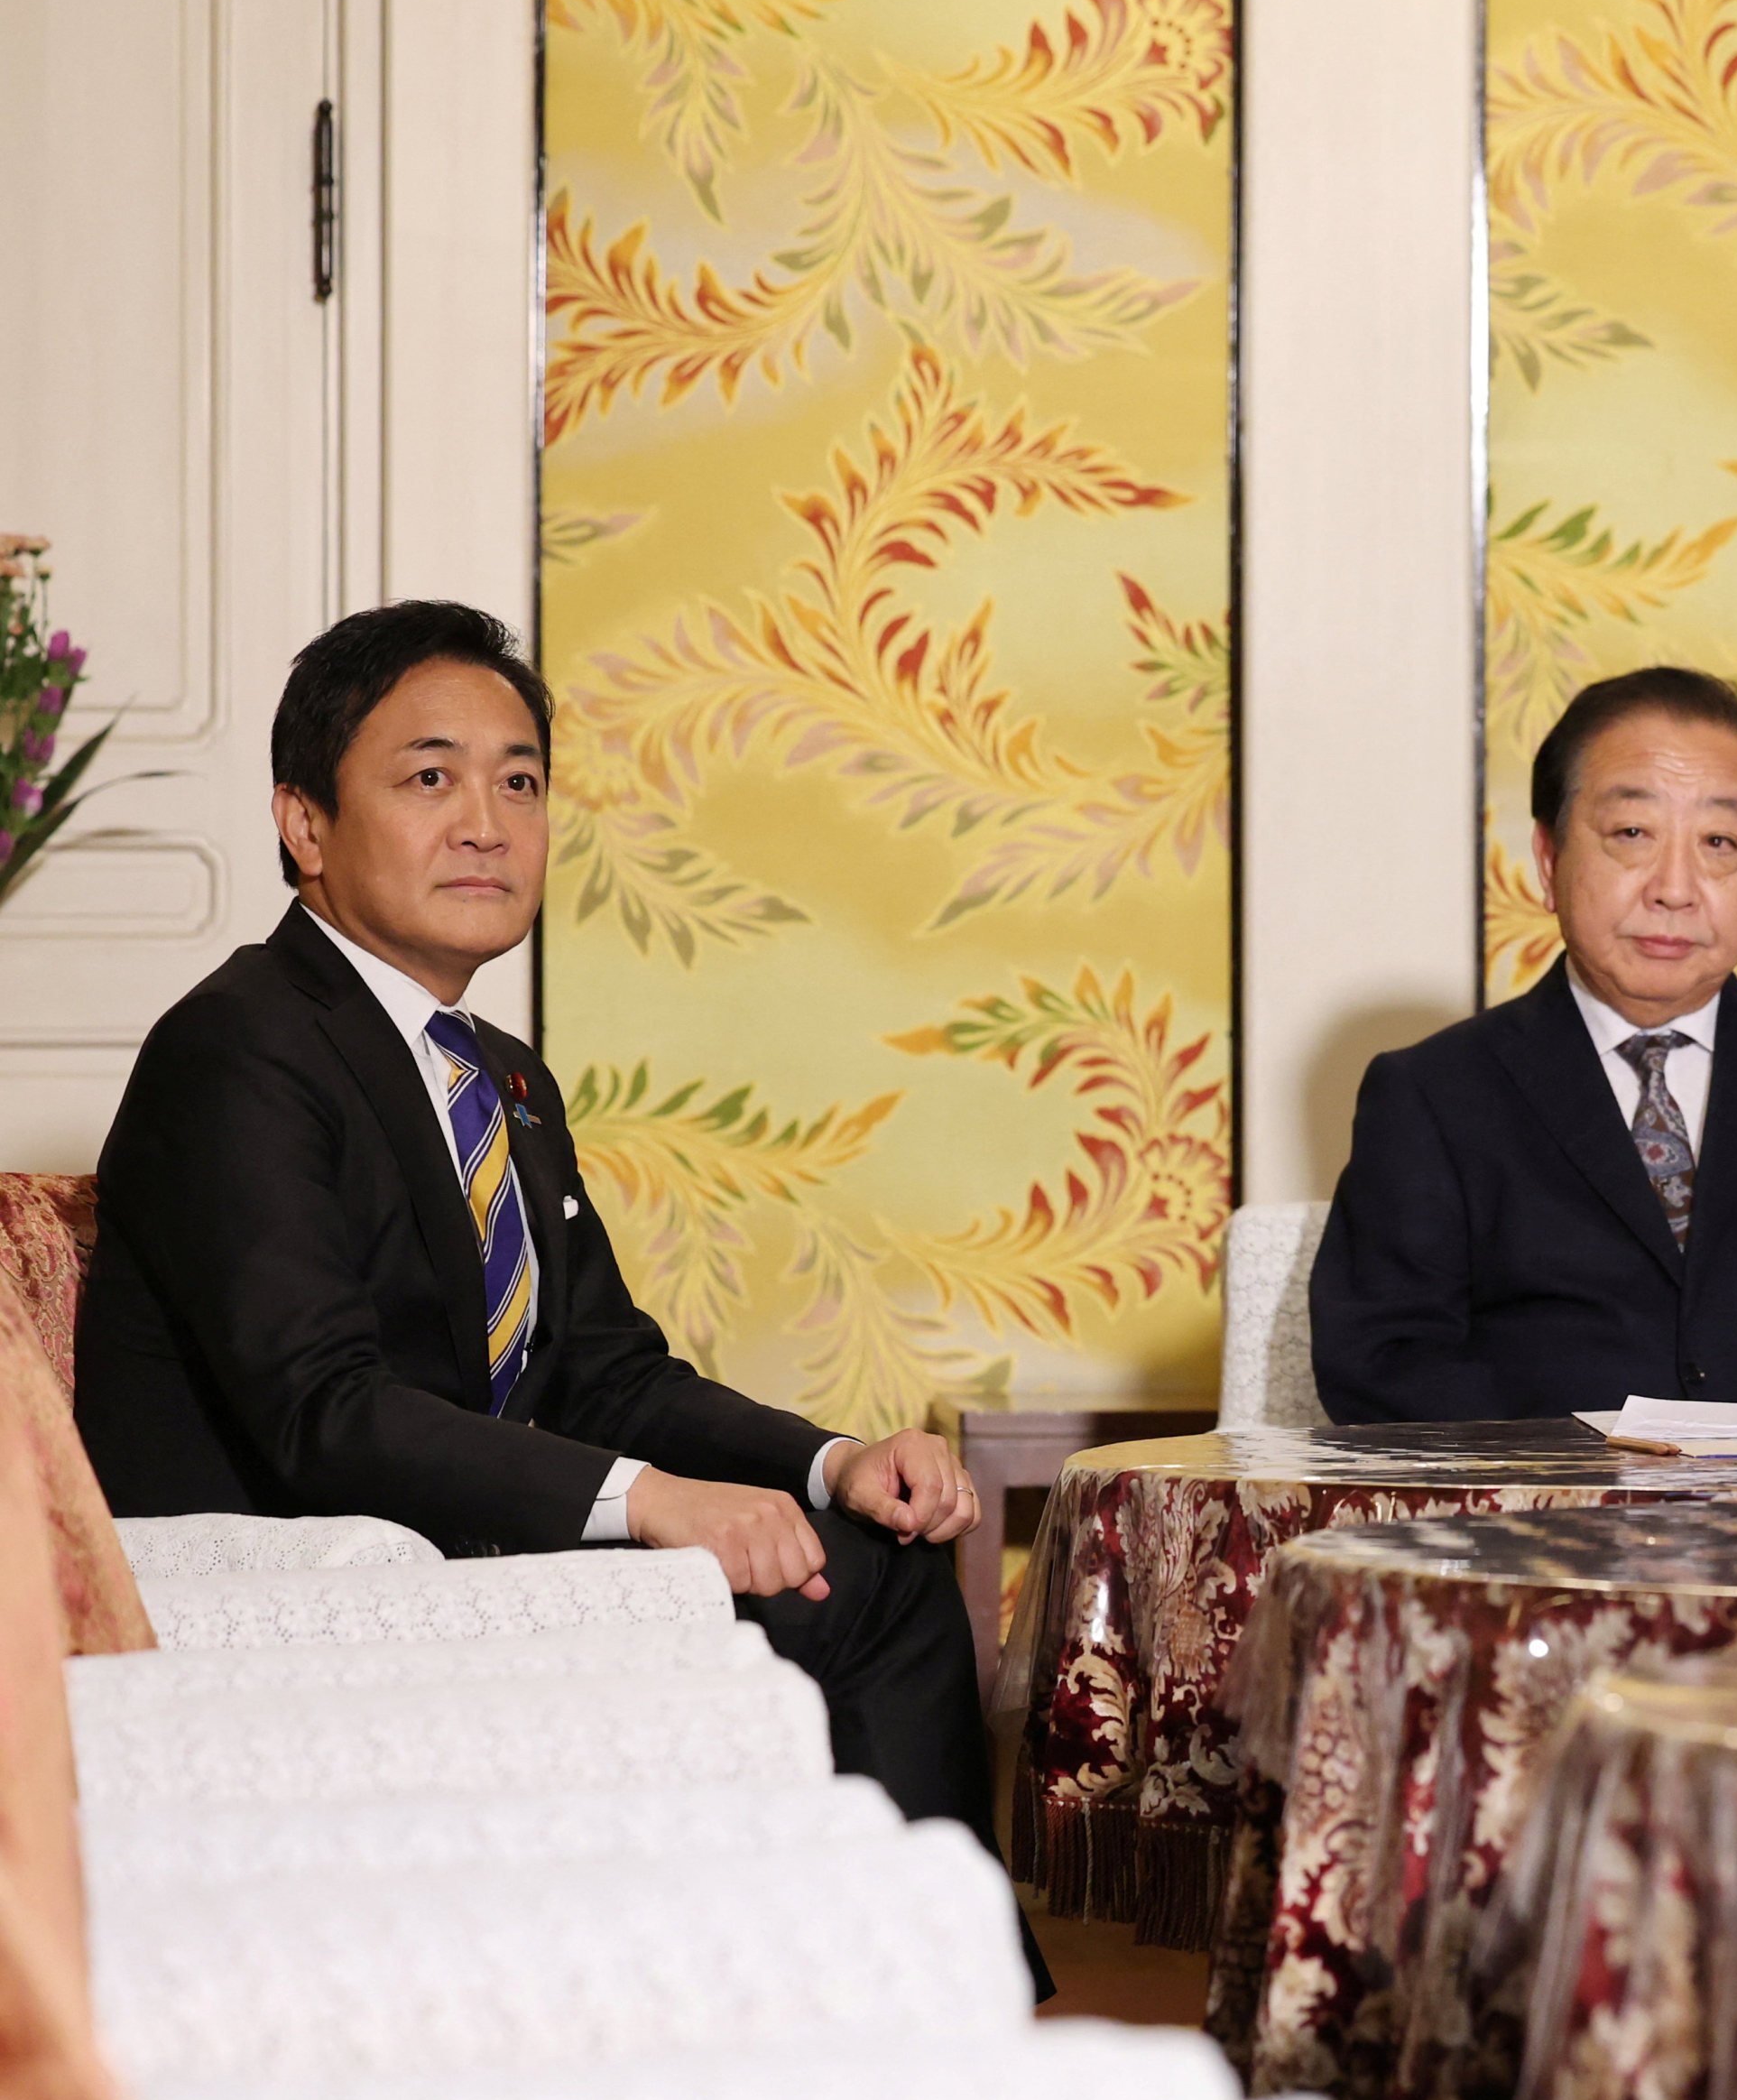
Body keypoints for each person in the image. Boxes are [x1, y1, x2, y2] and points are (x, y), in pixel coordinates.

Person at [74, 604, 1025, 1935]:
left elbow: (602, 1367)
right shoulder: (241, 1046)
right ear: (303, 823)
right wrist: (650, 1505)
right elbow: (319, 1407)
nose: (487, 821)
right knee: (853, 1595)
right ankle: (918, 1992)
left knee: (863, 1545)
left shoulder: (498, 1074)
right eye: (429, 777)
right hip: (294, 1586)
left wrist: (828, 1460)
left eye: (519, 780)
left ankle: (897, 1987)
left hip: (455, 1546)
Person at [1309, 666, 1737, 1422]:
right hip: (1539, 1524)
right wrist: (1599, 1466)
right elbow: (1383, 1365)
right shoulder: (1432, 1094)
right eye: (1632, 833)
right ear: (1548, 859)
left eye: (1720, 842)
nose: (1675, 888)